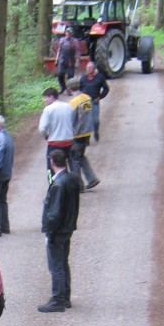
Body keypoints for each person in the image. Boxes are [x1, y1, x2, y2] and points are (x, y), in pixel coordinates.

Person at [39, 148, 80, 313]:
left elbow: (54, 214)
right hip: (68, 227)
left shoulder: (58, 184)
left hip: (58, 230)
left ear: (51, 162)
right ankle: (65, 296)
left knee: (55, 265)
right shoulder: (72, 179)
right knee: (63, 262)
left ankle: (58, 299)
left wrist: (49, 232)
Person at [67, 86, 100, 191]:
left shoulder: (73, 102)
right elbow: (86, 114)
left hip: (78, 134)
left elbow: (71, 120)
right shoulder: (86, 98)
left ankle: (78, 185)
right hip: (87, 132)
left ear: (69, 88)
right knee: (80, 156)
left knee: (74, 159)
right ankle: (92, 179)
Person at [38, 87, 75, 173]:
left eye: (46, 97)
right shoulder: (68, 106)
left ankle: (53, 182)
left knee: (52, 168)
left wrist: (46, 135)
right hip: (69, 141)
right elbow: (74, 122)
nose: (44, 100)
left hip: (55, 143)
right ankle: (73, 181)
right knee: (71, 166)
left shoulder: (48, 109)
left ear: (51, 96)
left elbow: (42, 128)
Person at [77, 59, 109, 142]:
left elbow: (106, 89)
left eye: (90, 67)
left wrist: (100, 97)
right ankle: (87, 138)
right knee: (86, 120)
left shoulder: (100, 77)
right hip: (86, 102)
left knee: (95, 120)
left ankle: (96, 132)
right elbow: (79, 89)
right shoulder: (83, 78)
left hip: (94, 102)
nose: (89, 69)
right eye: (87, 67)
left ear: (94, 69)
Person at [55, 26, 77, 93]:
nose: (68, 34)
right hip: (62, 60)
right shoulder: (61, 40)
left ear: (72, 34)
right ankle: (62, 87)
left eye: (70, 32)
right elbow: (59, 50)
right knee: (60, 74)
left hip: (70, 61)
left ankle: (69, 89)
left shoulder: (74, 41)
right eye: (67, 32)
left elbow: (77, 52)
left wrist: (77, 61)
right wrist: (56, 59)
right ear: (65, 33)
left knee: (70, 76)